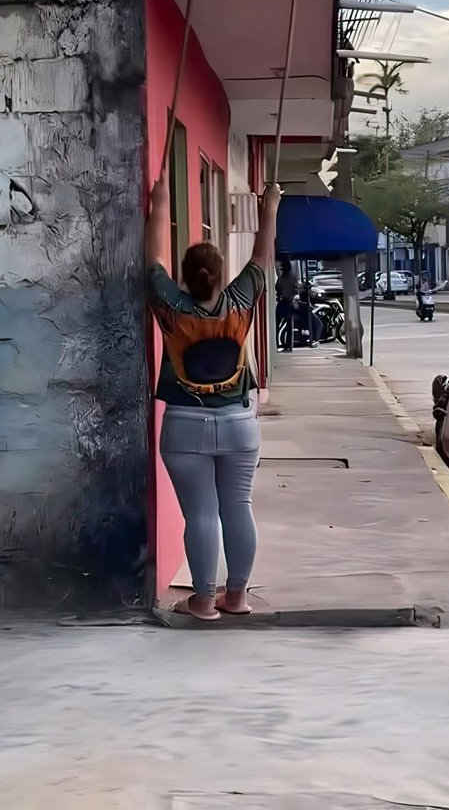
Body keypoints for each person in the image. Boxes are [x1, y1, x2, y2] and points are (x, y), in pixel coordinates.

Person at [146, 177, 281, 621]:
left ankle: (204, 600)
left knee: (201, 514)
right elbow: (263, 255)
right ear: (222, 276)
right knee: (237, 507)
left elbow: (153, 260)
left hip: (184, 424)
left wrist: (161, 200)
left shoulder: (171, 306)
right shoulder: (242, 300)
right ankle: (237, 596)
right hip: (240, 424)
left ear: (185, 277)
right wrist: (270, 207)